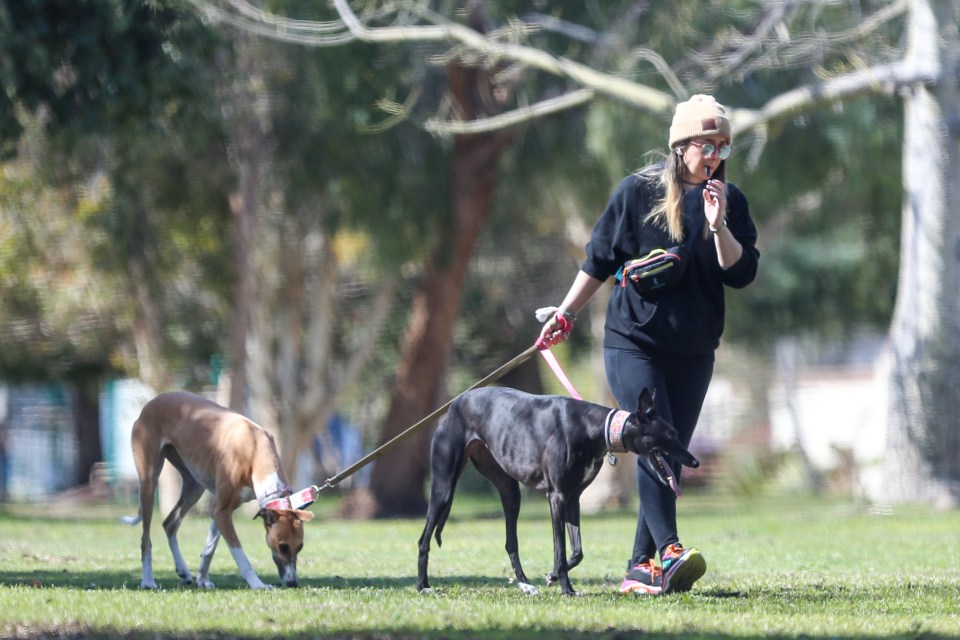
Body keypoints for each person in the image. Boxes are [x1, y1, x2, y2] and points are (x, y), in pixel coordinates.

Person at [538, 94, 759, 595]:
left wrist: (718, 224)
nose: (716, 155)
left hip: (695, 352)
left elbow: (741, 272)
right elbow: (598, 260)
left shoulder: (729, 201)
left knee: (667, 448)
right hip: (632, 344)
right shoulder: (635, 194)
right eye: (707, 144)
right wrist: (564, 315)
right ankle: (672, 550)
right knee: (654, 435)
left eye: (723, 146)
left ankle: (641, 566)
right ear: (681, 146)